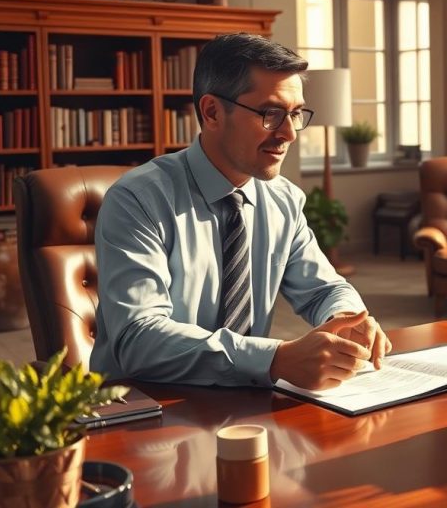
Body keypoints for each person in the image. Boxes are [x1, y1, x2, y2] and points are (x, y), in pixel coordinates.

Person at [91, 33, 390, 390]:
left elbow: (324, 289)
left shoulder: (284, 200)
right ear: (212, 112)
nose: (290, 134)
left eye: (295, 115)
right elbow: (138, 339)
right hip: (146, 409)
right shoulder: (137, 200)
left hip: (244, 404)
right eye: (271, 114)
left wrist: (347, 317)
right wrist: (275, 358)